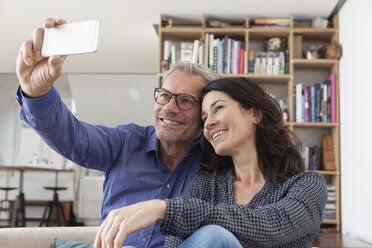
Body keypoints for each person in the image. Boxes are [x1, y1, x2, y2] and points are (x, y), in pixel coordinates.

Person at [16, 18, 218, 248]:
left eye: (185, 101)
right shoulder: (125, 142)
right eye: (164, 95)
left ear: (205, 112)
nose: (169, 107)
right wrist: (37, 92)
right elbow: (73, 138)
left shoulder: (218, 162)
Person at [95, 77, 327, 248]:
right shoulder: (203, 187)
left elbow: (273, 225)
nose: (209, 123)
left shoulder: (307, 186)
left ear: (255, 114)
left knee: (215, 236)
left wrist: (162, 208)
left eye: (218, 109)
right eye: (205, 118)